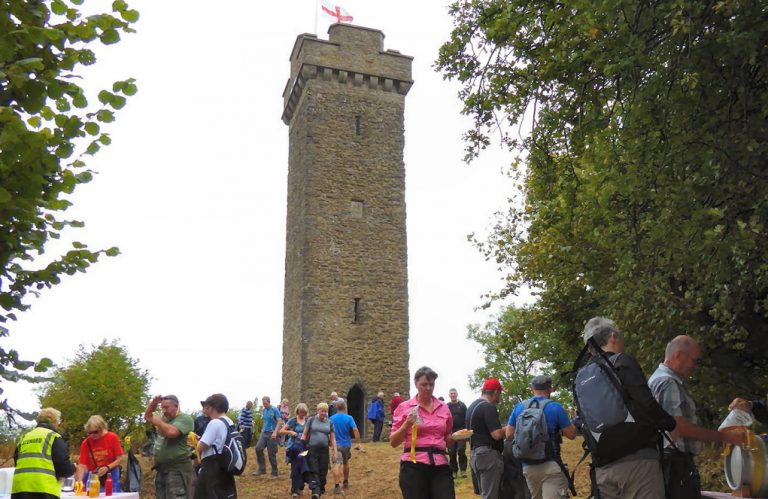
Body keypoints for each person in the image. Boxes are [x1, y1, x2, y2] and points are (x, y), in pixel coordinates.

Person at [580, 317, 676, 499]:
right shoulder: (621, 362)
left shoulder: (582, 375)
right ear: (612, 336)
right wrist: (669, 423)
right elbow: (646, 402)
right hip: (637, 461)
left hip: (602, 466)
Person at [648, 335, 744, 497]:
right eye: (695, 361)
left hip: (667, 465)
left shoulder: (655, 379)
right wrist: (724, 436)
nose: (695, 366)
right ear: (679, 355)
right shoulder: (668, 383)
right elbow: (679, 427)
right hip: (675, 467)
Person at [506, 376, 577, 499]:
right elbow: (571, 435)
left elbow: (508, 434)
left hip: (527, 466)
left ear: (531, 389)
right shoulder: (555, 407)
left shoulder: (519, 407)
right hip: (551, 464)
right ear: (550, 389)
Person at [390, 366, 455, 499]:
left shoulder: (444, 408)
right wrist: (406, 425)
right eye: (424, 384)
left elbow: (448, 439)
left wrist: (456, 438)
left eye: (431, 384)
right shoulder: (404, 408)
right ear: (416, 384)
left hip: (440, 465)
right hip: (413, 466)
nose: (428, 388)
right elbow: (393, 442)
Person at [12, 407, 76, 499]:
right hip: (43, 489)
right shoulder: (53, 437)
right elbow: (63, 466)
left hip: (19, 489)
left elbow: (17, 461)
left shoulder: (24, 437)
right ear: (54, 421)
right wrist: (73, 468)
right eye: (58, 423)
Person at [144, 394, 195, 499]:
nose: (163, 410)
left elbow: (172, 432)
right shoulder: (164, 420)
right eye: (162, 407)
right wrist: (153, 403)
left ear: (176, 406)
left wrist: (159, 423)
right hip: (162, 468)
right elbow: (148, 417)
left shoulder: (184, 419)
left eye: (166, 407)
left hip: (177, 467)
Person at [467, 378, 506, 499]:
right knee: (491, 496)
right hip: (488, 456)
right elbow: (496, 434)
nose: (499, 398)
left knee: (486, 494)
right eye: (499, 394)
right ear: (495, 392)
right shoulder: (488, 407)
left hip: (475, 454)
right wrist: (509, 428)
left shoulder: (472, 406)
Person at [194, 394, 237, 499]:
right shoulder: (229, 422)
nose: (206, 410)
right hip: (225, 468)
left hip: (212, 469)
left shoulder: (214, 423)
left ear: (212, 407)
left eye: (207, 407)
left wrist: (195, 443)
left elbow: (201, 447)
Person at [75, 415, 123, 493]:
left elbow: (119, 458)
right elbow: (82, 465)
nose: (92, 435)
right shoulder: (86, 443)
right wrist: (79, 482)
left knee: (111, 494)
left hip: (111, 473)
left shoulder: (112, 437)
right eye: (89, 433)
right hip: (94, 474)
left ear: (102, 428)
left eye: (95, 432)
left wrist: (107, 467)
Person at [302, 402, 338, 499]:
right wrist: (302, 446)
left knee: (323, 471)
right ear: (318, 411)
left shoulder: (329, 422)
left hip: (324, 450)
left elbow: (333, 438)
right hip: (312, 449)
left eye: (325, 411)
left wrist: (335, 451)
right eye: (322, 411)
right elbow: (304, 434)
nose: (324, 413)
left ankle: (320, 488)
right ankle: (315, 491)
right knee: (314, 470)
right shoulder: (311, 420)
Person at [330, 399, 362, 494]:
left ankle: (336, 485)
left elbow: (329, 431)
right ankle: (346, 481)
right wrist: (358, 442)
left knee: (337, 464)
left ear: (336, 408)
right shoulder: (349, 418)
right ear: (345, 408)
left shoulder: (331, 418)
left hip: (336, 445)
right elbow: (355, 429)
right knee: (346, 463)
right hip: (346, 444)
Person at [280, 403, 310, 497]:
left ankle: (300, 487)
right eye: (301, 412)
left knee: (303, 466)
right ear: (297, 411)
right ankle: (294, 490)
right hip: (294, 448)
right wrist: (290, 432)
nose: (303, 414)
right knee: (295, 468)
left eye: (304, 412)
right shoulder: (293, 421)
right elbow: (281, 431)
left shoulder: (308, 421)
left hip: (305, 447)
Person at [254, 395, 282, 477]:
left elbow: (279, 421)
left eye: (265, 403)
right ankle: (262, 469)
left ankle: (274, 472)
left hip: (272, 433)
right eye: (263, 403)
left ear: (269, 402)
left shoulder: (274, 410)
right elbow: (265, 421)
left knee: (271, 453)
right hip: (264, 433)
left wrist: (275, 432)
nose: (264, 405)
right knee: (258, 448)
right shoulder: (264, 410)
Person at [447, 388, 468, 479]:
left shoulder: (462, 405)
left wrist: (467, 431)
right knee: (452, 453)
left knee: (461, 450)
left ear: (457, 394)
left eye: (454, 393)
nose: (453, 395)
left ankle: (463, 470)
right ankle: (454, 471)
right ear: (449, 395)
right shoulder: (447, 406)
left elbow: (467, 418)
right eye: (451, 393)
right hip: (451, 432)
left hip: (461, 432)